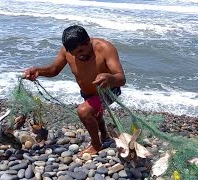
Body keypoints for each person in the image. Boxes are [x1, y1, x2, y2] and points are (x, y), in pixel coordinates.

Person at [24, 25, 126, 155]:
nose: (79, 55)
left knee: (84, 111)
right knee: (95, 114)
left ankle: (96, 144)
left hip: (109, 91)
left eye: (81, 50)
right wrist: (38, 71)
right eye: (74, 53)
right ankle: (104, 135)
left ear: (88, 41)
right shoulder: (67, 52)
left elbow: (121, 78)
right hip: (87, 93)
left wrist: (109, 78)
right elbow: (54, 70)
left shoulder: (105, 48)